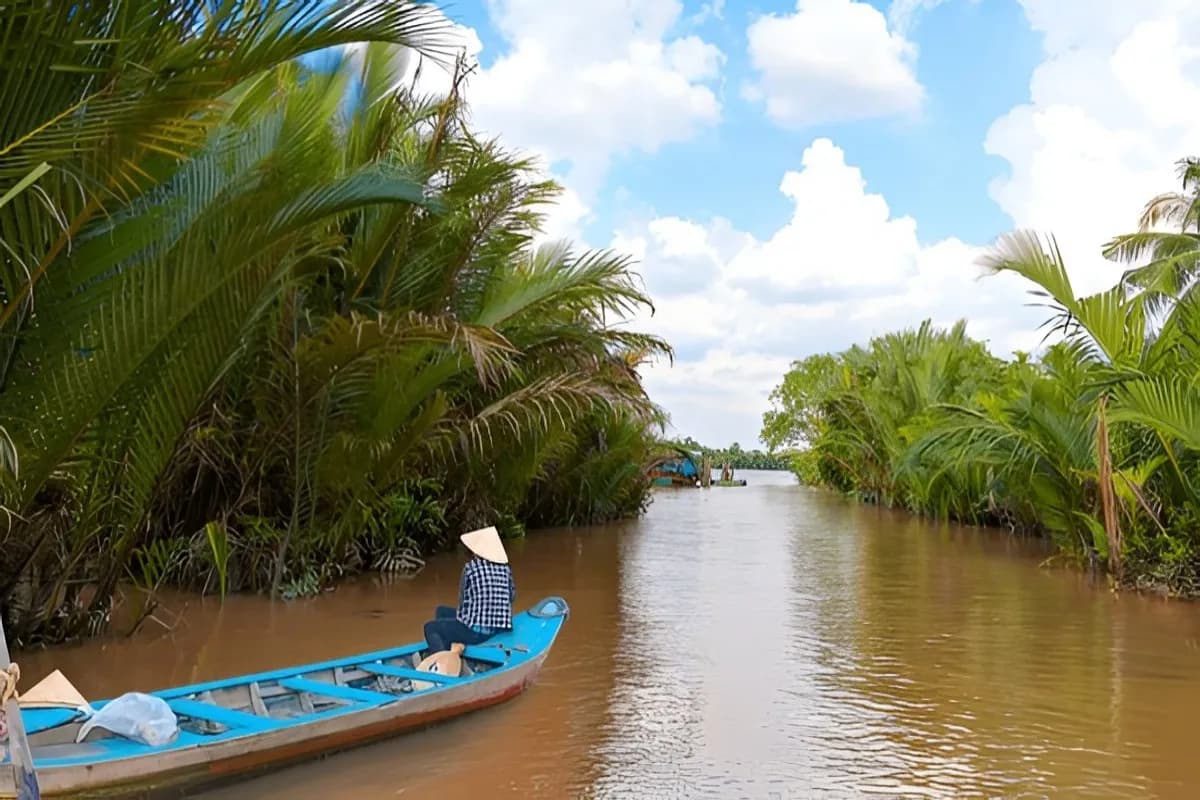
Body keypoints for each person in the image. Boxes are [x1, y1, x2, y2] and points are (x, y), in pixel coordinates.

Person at [422, 526, 516, 654]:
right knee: (442, 611)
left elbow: (462, 601)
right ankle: (452, 650)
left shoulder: (470, 568)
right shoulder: (506, 569)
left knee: (430, 627)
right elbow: (511, 596)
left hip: (475, 633)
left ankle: (443, 659)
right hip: (498, 629)